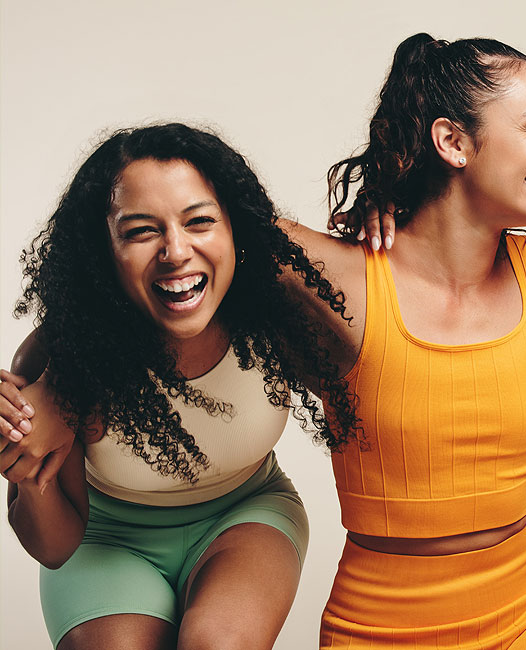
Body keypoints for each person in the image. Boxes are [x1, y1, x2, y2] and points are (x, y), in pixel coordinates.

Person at [4, 35, 526, 650]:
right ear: (453, 142)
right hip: (381, 621)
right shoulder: (338, 277)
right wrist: (48, 383)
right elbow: (178, 252)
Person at [0, 123, 359, 650]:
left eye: (200, 222)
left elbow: (393, 333)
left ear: (236, 228)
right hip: (105, 539)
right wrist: (27, 471)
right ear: (103, 250)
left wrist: (392, 217)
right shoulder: (60, 357)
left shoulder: (277, 315)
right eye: (141, 231)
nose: (175, 251)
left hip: (245, 515)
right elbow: (54, 547)